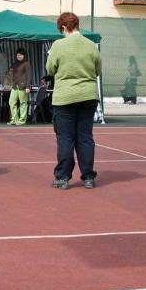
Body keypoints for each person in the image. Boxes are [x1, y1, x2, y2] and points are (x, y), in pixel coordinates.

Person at [46, 12, 102, 190]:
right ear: (77, 25)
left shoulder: (58, 45)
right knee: (85, 137)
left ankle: (63, 177)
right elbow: (98, 69)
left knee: (65, 138)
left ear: (64, 27)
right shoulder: (91, 45)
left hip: (65, 97)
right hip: (88, 95)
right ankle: (88, 177)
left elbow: (50, 69)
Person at [7, 48, 31, 125]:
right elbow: (12, 73)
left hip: (23, 86)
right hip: (15, 85)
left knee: (23, 103)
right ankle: (15, 119)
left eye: (21, 55)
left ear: (24, 55)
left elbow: (29, 75)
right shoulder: (15, 64)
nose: (19, 56)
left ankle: (22, 120)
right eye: (18, 55)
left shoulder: (26, 63)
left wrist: (27, 87)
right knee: (11, 102)